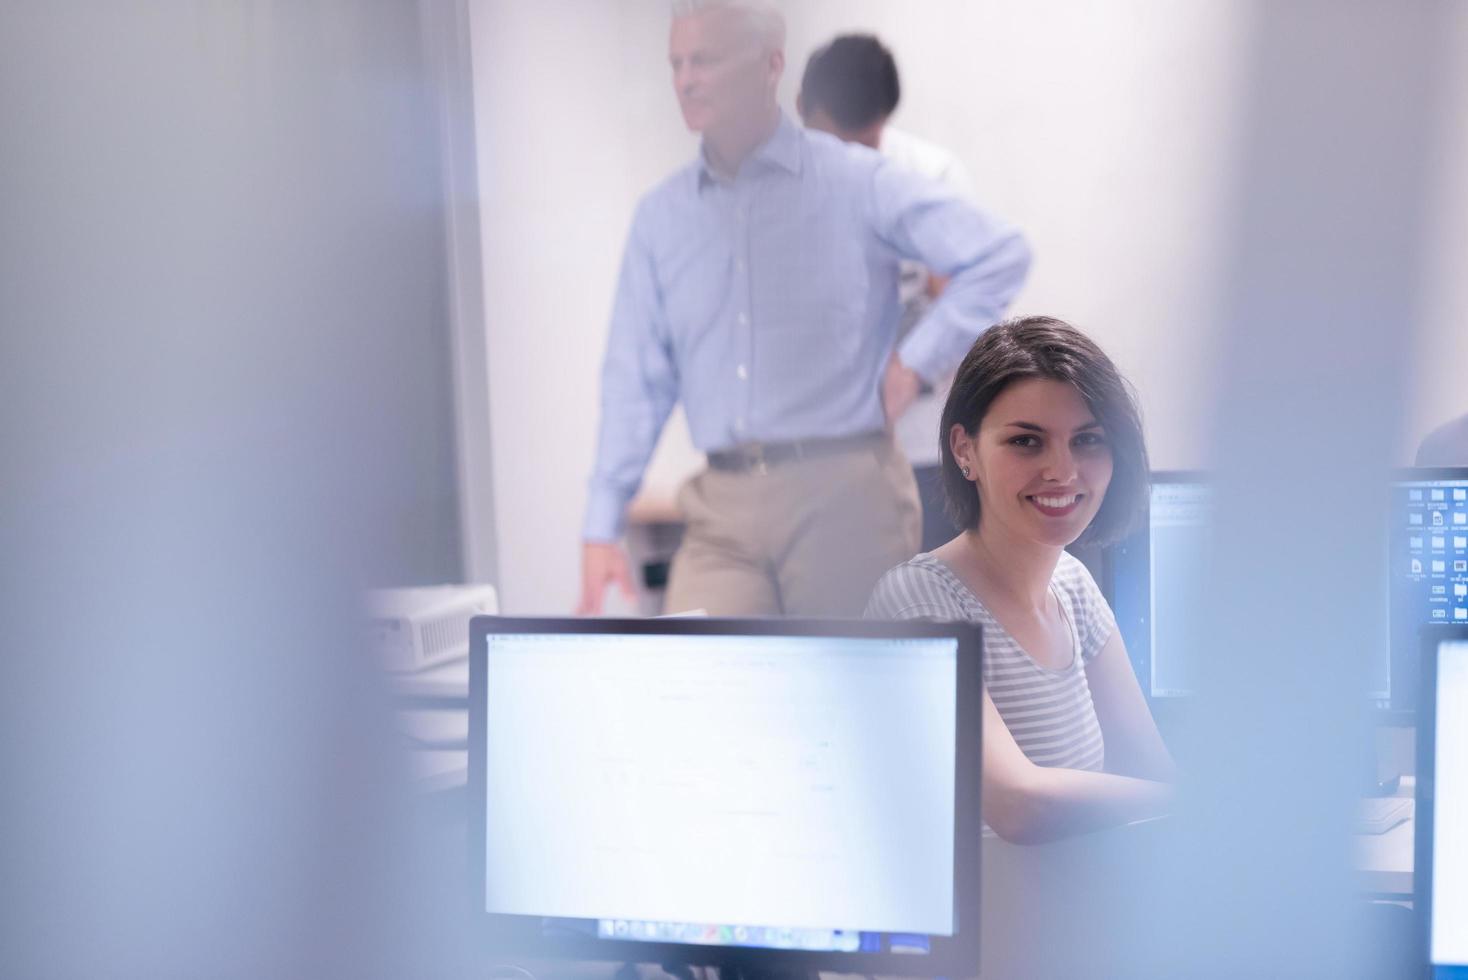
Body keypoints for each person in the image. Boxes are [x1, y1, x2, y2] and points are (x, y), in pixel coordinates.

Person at [577, 0, 1031, 617]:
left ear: (770, 66)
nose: (686, 78)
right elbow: (636, 378)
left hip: (844, 494)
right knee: (700, 692)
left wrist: (912, 364)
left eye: (705, 59)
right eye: (677, 62)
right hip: (722, 504)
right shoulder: (661, 218)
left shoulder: (856, 181)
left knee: (852, 703)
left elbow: (999, 254)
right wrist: (602, 522)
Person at [866, 316, 1175, 843]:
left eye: (1089, 440)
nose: (1062, 470)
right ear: (965, 450)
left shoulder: (1073, 586)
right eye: (1027, 442)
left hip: (1081, 916)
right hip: (990, 927)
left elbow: (1149, 775)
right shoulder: (916, 599)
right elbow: (1017, 803)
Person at [797, 33, 981, 553]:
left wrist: (908, 369)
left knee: (931, 609)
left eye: (869, 140)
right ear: (803, 113)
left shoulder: (929, 175)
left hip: (922, 452)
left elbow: (967, 305)